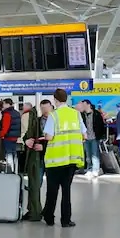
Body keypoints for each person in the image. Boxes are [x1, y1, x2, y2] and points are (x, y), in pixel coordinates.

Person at [42, 89, 85, 227]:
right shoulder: (76, 114)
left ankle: (49, 217)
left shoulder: (53, 116)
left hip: (55, 160)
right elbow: (85, 135)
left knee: (52, 191)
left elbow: (49, 136)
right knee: (66, 191)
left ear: (55, 100)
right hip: (71, 159)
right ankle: (66, 220)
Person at [22, 101, 45, 221]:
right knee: (35, 185)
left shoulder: (53, 120)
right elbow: (27, 135)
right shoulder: (36, 120)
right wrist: (26, 140)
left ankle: (40, 211)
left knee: (38, 185)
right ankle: (35, 210)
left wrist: (44, 147)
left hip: (50, 158)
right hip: (39, 157)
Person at [79, 100, 104, 178]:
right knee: (88, 155)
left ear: (88, 104)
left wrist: (99, 136)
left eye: (83, 105)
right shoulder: (82, 115)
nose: (82, 107)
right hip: (86, 138)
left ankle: (95, 170)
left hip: (94, 137)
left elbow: (101, 125)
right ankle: (89, 169)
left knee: (95, 154)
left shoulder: (96, 114)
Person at [0, 99, 21, 170]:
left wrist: (1, 135)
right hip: (15, 137)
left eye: (4, 104)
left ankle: (10, 170)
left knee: (9, 155)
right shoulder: (17, 113)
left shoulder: (7, 114)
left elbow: (5, 127)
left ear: (7, 104)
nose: (3, 105)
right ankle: (15, 169)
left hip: (8, 137)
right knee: (14, 155)